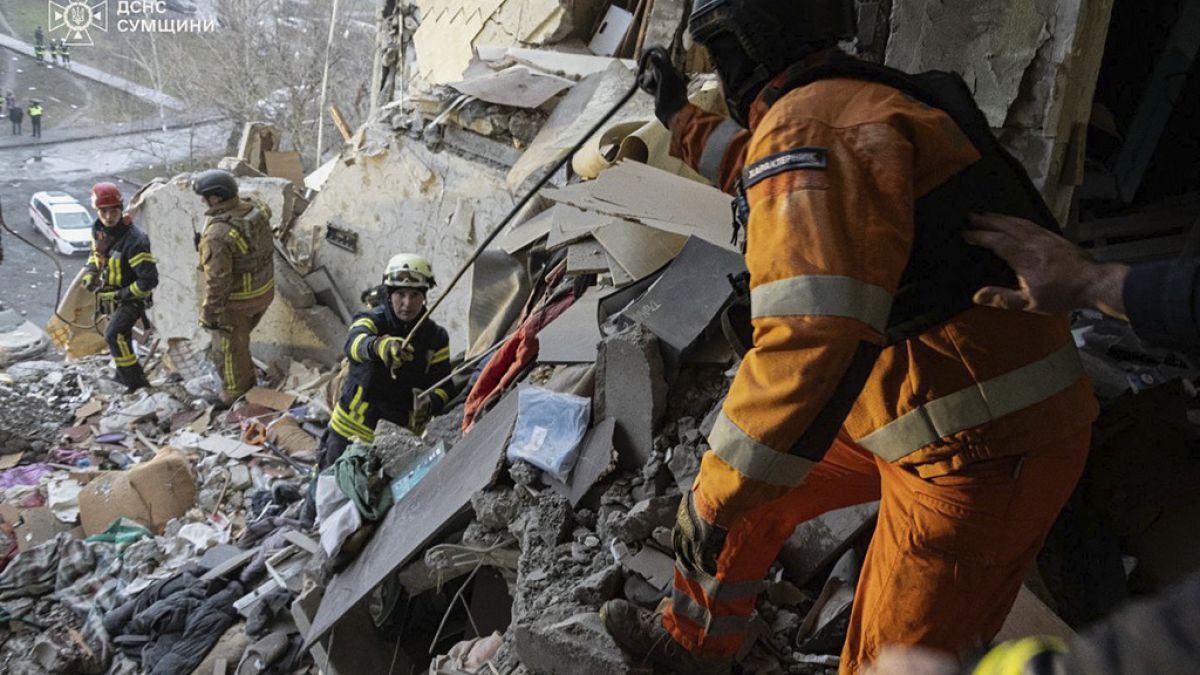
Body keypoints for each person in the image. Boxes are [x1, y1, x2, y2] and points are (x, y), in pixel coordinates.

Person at [600, 1, 1098, 673]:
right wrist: (678, 118)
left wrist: (710, 495)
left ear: (744, 46)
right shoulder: (848, 100)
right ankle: (692, 645)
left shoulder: (808, 125)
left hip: (980, 453)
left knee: (881, 661)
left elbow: (807, 340)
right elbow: (757, 165)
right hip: (933, 410)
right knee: (750, 493)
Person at [318, 254, 455, 468]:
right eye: (401, 294)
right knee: (329, 485)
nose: (407, 303)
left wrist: (430, 401)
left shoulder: (436, 338)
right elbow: (354, 344)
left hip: (394, 441)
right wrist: (380, 346)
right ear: (389, 294)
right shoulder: (371, 320)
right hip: (348, 433)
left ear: (424, 296)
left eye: (415, 295)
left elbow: (445, 386)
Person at [192, 169, 275, 405]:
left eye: (205, 197)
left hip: (239, 301)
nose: (203, 202)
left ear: (215, 198)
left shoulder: (217, 235)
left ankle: (236, 394)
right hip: (264, 291)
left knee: (227, 349)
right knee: (240, 342)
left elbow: (218, 281)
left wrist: (209, 315)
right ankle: (249, 381)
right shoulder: (255, 209)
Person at [81, 183, 158, 392]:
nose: (108, 217)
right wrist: (91, 273)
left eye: (113, 211)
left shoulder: (135, 241)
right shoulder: (98, 230)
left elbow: (148, 281)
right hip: (112, 293)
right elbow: (96, 255)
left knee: (113, 335)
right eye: (103, 211)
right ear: (96, 211)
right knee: (120, 337)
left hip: (133, 297)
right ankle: (125, 374)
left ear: (121, 209)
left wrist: (119, 295)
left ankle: (135, 382)